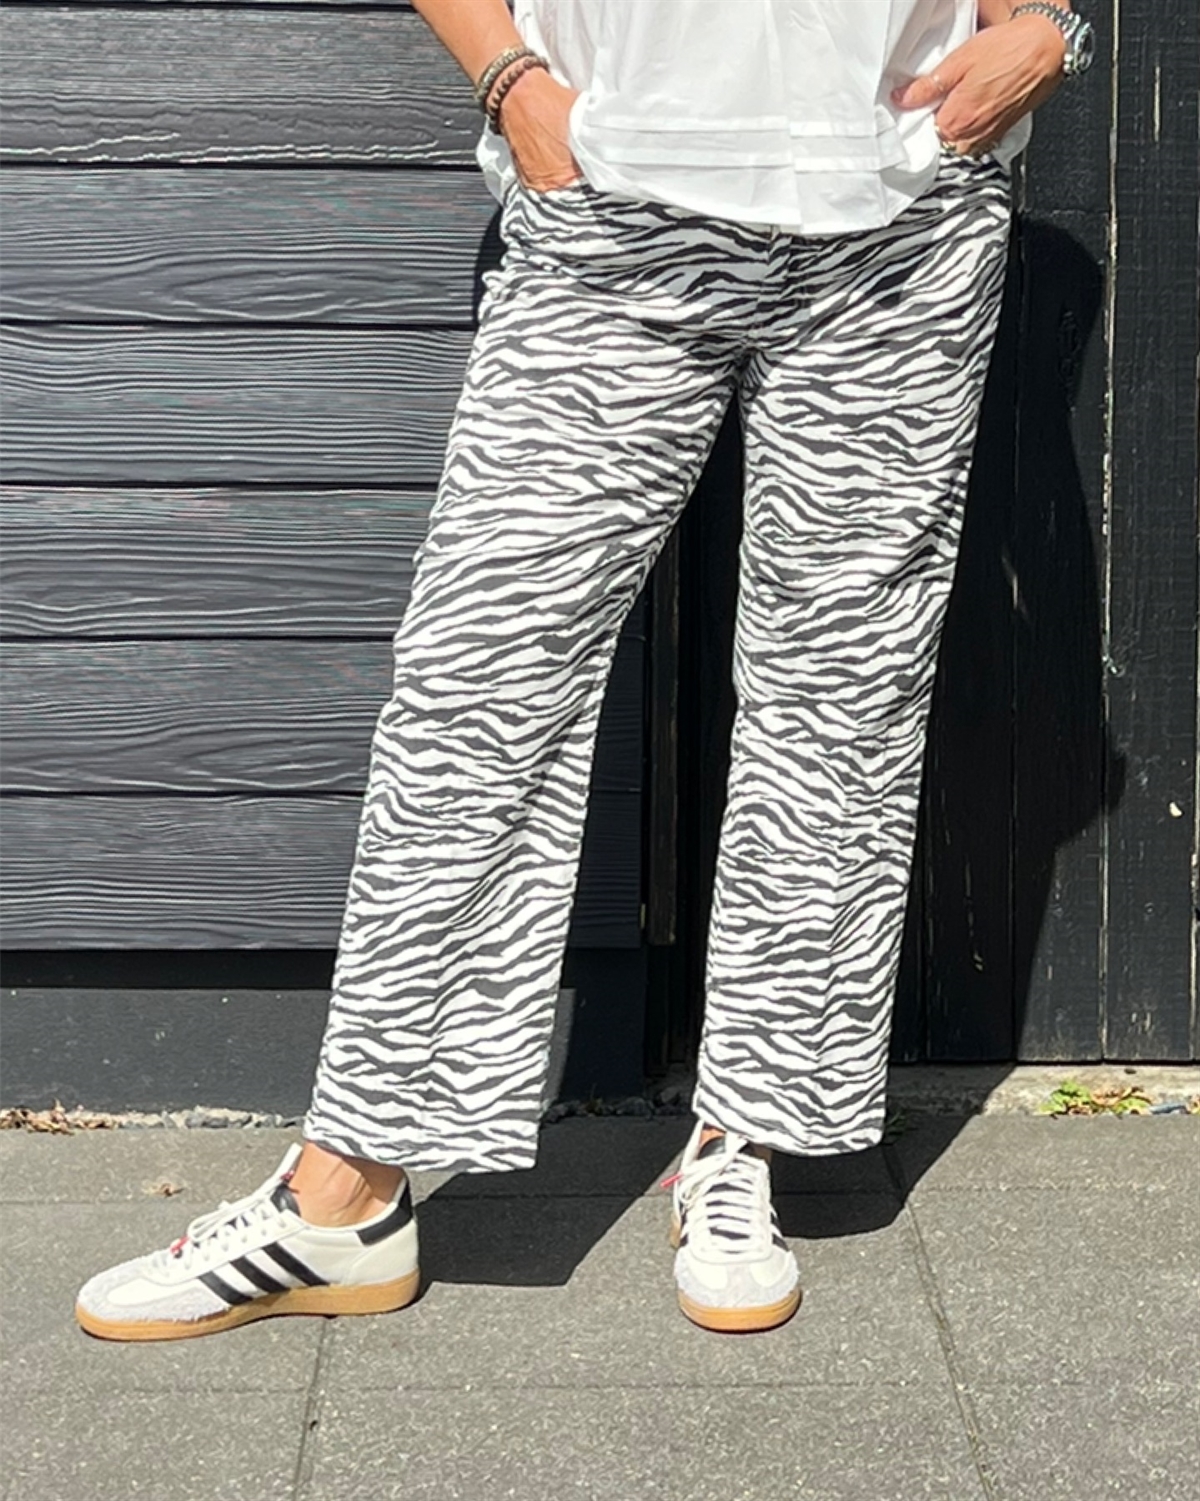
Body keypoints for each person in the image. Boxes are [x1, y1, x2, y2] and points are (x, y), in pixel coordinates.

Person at [74, 0, 1093, 1341]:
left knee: (841, 696)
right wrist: (511, 82)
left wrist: (1045, 26)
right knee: (479, 683)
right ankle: (344, 1193)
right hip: (614, 197)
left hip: (903, 205)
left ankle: (744, 1142)